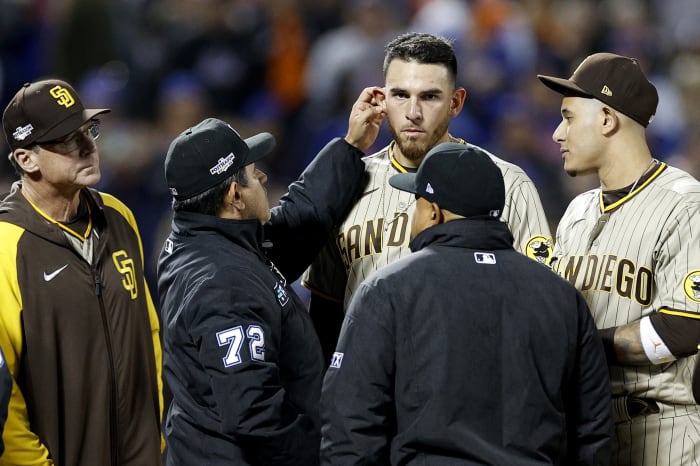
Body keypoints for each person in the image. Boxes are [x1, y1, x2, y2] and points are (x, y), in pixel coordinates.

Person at [320, 142, 613, 465]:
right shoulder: (561, 296)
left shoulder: (387, 289)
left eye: (416, 203)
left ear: (433, 211)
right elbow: (593, 433)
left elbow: (350, 424)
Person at [156, 90, 384, 465]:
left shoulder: (205, 239)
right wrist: (324, 457)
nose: (262, 175)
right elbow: (254, 414)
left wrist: (349, 146)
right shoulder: (222, 282)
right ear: (234, 195)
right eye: (252, 173)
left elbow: (296, 221)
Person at [302, 32, 553, 363]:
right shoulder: (347, 182)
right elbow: (326, 311)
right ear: (381, 99)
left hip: (467, 388)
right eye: (401, 95)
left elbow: (539, 305)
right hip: (368, 390)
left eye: (430, 97)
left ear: (456, 102)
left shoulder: (509, 183)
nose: (413, 112)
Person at [538, 52, 700, 465]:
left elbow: (683, 328)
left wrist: (579, 346)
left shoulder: (685, 204)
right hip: (586, 433)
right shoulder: (576, 212)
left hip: (663, 432)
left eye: (569, 117)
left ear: (607, 119)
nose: (558, 133)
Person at [0, 79, 163, 464]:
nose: (89, 147)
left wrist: (155, 438)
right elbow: (2, 396)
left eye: (88, 130)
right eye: (67, 140)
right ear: (27, 159)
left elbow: (149, 333)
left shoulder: (118, 217)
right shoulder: (7, 248)